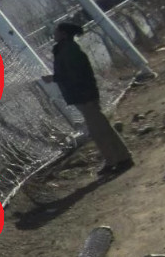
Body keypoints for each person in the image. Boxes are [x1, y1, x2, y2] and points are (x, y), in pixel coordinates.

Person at [47, 22, 133, 175]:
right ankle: (113, 160)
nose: (54, 34)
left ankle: (122, 158)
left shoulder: (69, 50)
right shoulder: (65, 49)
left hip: (84, 95)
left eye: (57, 31)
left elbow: (74, 74)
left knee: (101, 129)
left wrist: (54, 78)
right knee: (98, 130)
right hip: (82, 95)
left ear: (64, 34)